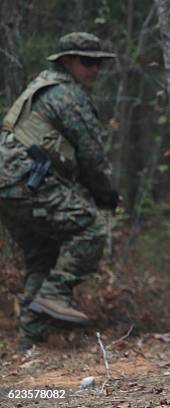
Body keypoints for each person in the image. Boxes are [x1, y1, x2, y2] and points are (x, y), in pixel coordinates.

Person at [0, 32, 119, 352]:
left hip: (11, 186)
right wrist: (106, 194)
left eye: (98, 63)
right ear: (67, 61)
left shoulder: (42, 87)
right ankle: (54, 296)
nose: (94, 69)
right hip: (25, 181)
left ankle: (30, 341)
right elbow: (92, 156)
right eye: (87, 62)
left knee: (42, 255)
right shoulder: (68, 94)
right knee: (91, 228)